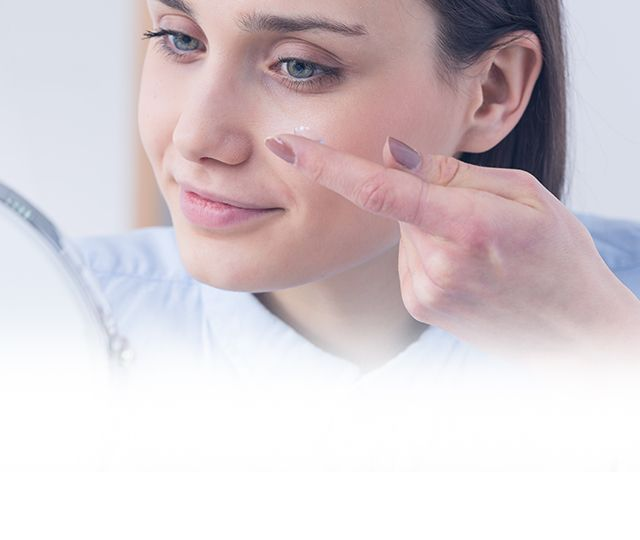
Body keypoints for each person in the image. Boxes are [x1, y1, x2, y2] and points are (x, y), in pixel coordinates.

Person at [74, 0, 640, 383]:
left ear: (491, 91)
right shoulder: (49, 312)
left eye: (298, 66)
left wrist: (603, 346)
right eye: (179, 38)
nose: (195, 137)